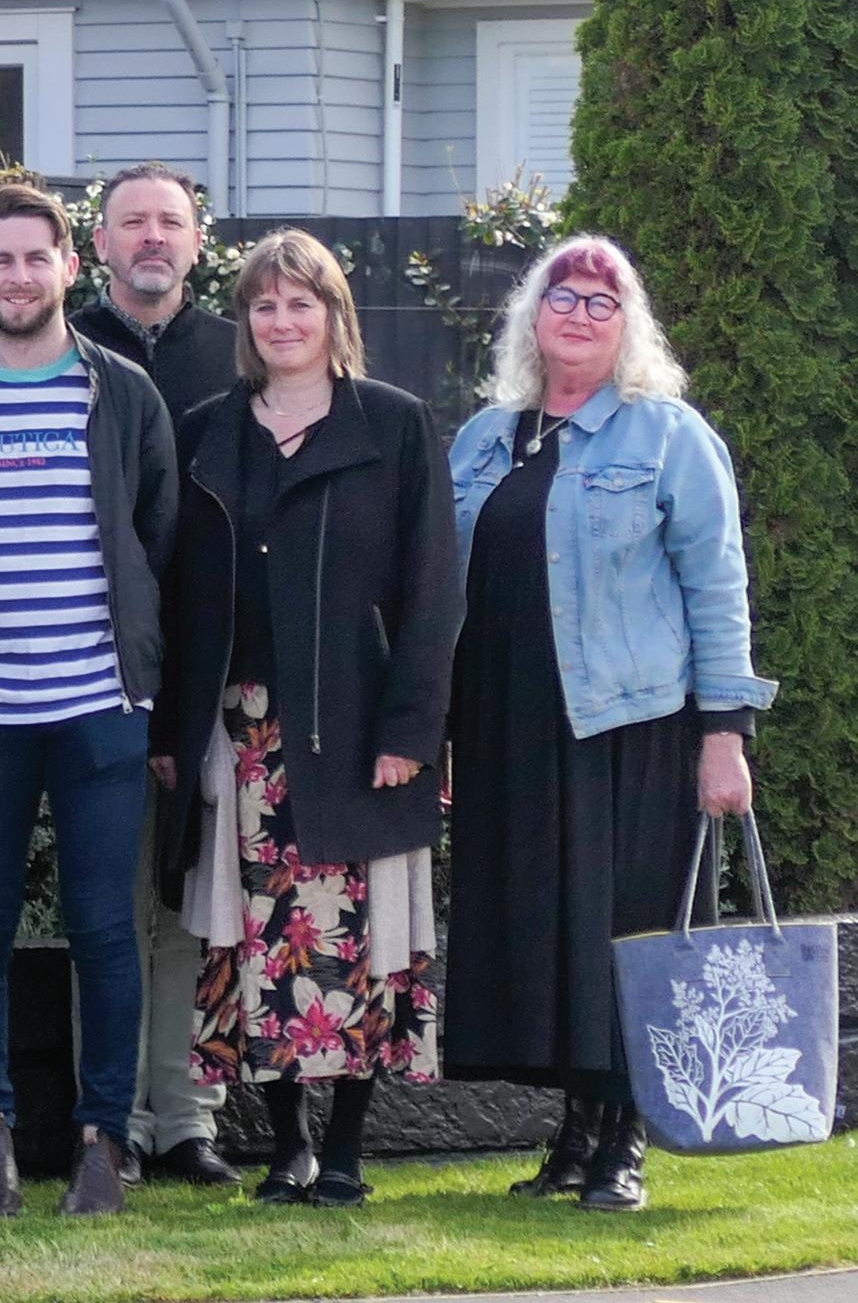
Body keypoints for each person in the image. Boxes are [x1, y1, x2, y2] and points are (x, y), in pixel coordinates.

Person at [444, 237, 774, 1214]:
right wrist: (441, 728)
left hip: (629, 726)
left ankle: (623, 1139)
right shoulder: (481, 440)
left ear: (628, 324)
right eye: (563, 297)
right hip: (507, 729)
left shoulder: (667, 435)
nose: (580, 315)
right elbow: (441, 592)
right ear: (531, 316)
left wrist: (724, 734)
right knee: (547, 935)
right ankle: (573, 1136)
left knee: (626, 933)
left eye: (602, 301)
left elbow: (717, 587)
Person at [152, 230, 460, 1207]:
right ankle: (286, 1146)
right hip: (242, 734)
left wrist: (411, 731)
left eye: (300, 303)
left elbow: (432, 590)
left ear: (333, 314)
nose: (282, 321)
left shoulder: (393, 423)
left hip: (359, 728)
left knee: (361, 938)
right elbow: (177, 594)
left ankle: (347, 1151)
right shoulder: (207, 430)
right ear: (244, 322)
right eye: (263, 305)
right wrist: (170, 733)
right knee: (258, 938)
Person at [0, 176, 177, 1218]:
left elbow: (154, 536)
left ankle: (101, 1141)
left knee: (103, 926)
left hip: (97, 700)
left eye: (36, 257)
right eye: (1, 260)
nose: (19, 276)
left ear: (69, 266)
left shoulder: (120, 394)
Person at [73, 166, 242, 1189]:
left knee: (187, 905)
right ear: (98, 243)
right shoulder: (64, 351)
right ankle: (111, 1118)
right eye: (130, 221)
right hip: (87, 672)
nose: (150, 236)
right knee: (107, 905)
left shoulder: (237, 353)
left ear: (194, 241)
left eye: (168, 221)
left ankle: (183, 1116)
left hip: (210, 673)